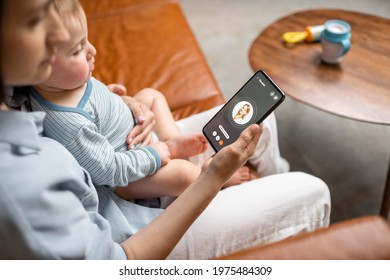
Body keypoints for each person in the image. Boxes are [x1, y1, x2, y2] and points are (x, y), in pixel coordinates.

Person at [0, 0, 330, 260]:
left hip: (129, 146)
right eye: (34, 19)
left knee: (261, 122)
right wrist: (209, 176)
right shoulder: (18, 186)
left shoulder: (27, 84)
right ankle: (259, 194)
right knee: (312, 192)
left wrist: (127, 102)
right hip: (129, 216)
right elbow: (119, 260)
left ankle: (269, 184)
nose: (52, 31)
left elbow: (87, 101)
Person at [26, 0, 251, 203]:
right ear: (40, 68)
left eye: (86, 41)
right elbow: (108, 171)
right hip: (128, 174)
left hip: (129, 132)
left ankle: (172, 139)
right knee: (184, 174)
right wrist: (154, 154)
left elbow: (94, 103)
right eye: (77, 50)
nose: (92, 51)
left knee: (151, 95)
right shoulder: (68, 124)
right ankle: (219, 179)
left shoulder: (64, 81)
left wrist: (115, 96)